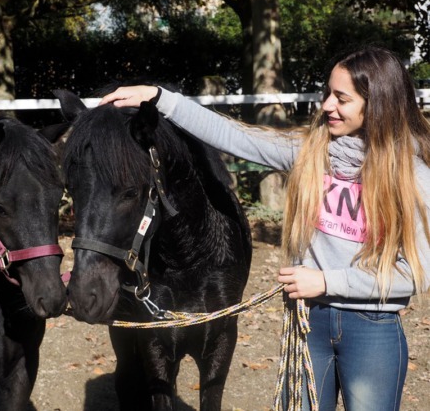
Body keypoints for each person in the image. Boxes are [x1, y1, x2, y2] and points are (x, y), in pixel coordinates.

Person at [99, 46, 430, 411]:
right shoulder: (309, 152)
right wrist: (162, 99)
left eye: (341, 98)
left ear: (378, 104)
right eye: (326, 94)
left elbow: (415, 274)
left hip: (372, 327)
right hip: (309, 325)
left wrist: (327, 282)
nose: (326, 106)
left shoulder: (413, 179)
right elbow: (233, 135)